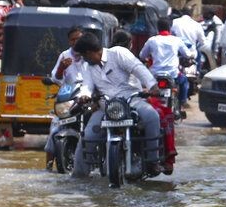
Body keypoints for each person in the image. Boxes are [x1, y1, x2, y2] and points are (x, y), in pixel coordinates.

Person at [70, 32, 164, 178]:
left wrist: (152, 86)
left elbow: (138, 68)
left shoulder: (118, 53)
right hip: (106, 106)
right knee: (88, 135)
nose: (84, 59)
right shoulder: (87, 66)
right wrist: (84, 95)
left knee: (152, 116)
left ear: (89, 52)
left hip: (131, 100)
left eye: (84, 55)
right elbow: (87, 86)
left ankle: (152, 160)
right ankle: (80, 175)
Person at [44, 27, 84, 170]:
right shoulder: (64, 55)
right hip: (68, 99)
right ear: (69, 41)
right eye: (73, 39)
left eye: (78, 39)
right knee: (55, 128)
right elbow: (56, 77)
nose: (76, 42)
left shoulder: (90, 54)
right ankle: (48, 166)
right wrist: (61, 67)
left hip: (87, 99)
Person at [140, 17, 194, 113]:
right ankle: (182, 104)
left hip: (155, 74)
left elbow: (142, 55)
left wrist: (147, 59)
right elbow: (188, 54)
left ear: (158, 28)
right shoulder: (177, 40)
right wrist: (191, 55)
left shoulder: (152, 40)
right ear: (169, 28)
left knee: (148, 89)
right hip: (173, 74)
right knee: (184, 81)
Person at [171, 11, 206, 76]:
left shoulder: (174, 22)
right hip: (192, 53)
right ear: (191, 14)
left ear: (181, 13)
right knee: (199, 53)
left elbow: (170, 36)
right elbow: (203, 42)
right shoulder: (197, 25)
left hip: (177, 53)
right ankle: (197, 72)